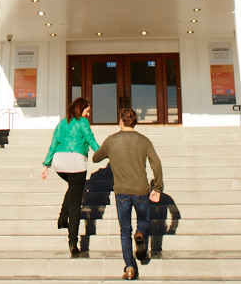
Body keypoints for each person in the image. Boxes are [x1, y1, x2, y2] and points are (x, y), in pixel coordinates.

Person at [92, 108, 163, 281]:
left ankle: (130, 267)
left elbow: (95, 158)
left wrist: (109, 150)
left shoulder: (112, 140)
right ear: (135, 122)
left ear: (121, 121)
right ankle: (140, 233)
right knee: (143, 221)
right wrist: (158, 188)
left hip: (122, 191)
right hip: (141, 190)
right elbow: (156, 163)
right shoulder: (144, 140)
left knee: (124, 230)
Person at [41, 97, 99, 256]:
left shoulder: (62, 123)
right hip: (76, 162)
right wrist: (104, 153)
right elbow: (91, 140)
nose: (89, 114)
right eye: (88, 110)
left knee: (73, 187)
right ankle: (73, 242)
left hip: (59, 163)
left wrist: (46, 165)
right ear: (82, 108)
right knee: (75, 203)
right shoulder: (83, 123)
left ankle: (61, 218)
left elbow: (54, 143)